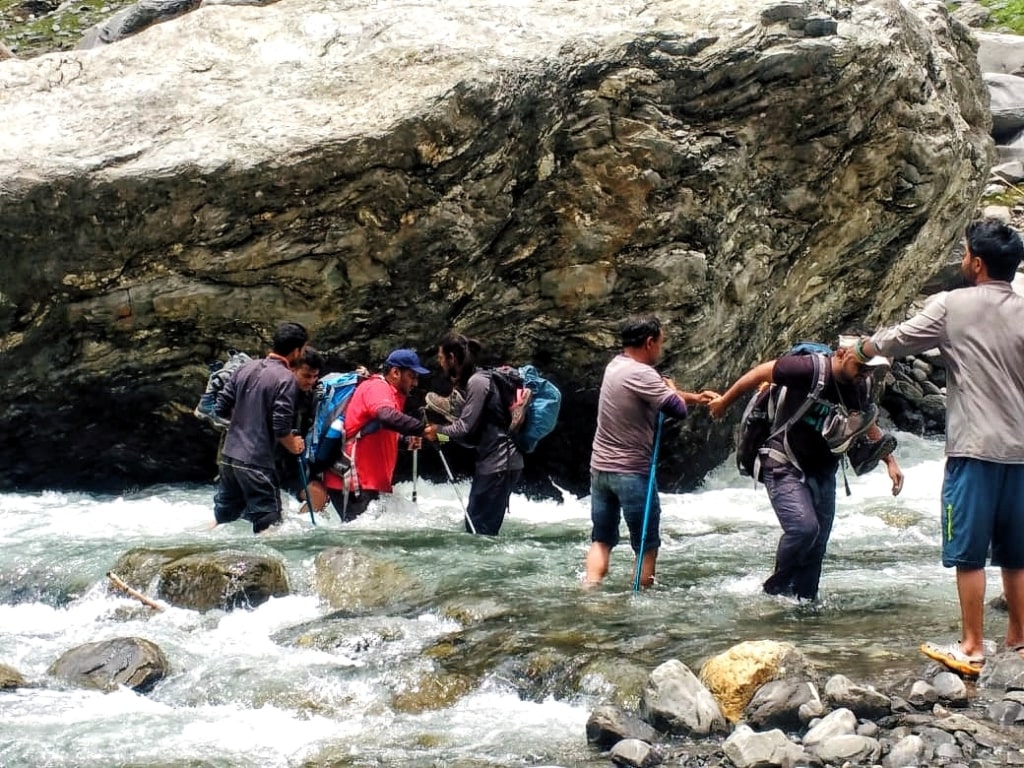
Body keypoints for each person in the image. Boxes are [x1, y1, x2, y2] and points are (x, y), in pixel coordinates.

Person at [858, 218, 1024, 676]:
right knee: (1016, 551)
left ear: (977, 262)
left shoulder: (952, 305)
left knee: (969, 552)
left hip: (974, 449)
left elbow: (898, 339)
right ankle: (1019, 639)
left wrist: (859, 348)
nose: (963, 258)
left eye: (966, 251)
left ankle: (971, 646)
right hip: (1021, 452)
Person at [708, 338, 904, 602]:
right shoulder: (809, 369)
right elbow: (760, 373)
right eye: (862, 366)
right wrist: (724, 403)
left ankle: (804, 605)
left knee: (817, 544)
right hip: (783, 460)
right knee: (804, 529)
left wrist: (889, 460)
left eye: (871, 369)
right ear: (843, 354)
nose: (865, 374)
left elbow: (865, 422)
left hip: (824, 468)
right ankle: (774, 591)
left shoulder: (860, 385)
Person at [584, 316, 719, 587]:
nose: (660, 348)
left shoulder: (616, 366)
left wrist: (695, 397)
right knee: (646, 545)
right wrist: (674, 392)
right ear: (649, 342)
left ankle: (590, 590)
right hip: (632, 473)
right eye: (660, 343)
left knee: (602, 539)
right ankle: (642, 598)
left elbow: (653, 393)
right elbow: (675, 409)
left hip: (600, 471)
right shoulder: (642, 373)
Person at [212, 322, 309, 533]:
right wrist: (294, 445)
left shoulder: (245, 367)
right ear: (296, 351)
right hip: (256, 462)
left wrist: (246, 419)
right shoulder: (286, 379)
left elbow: (220, 408)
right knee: (269, 523)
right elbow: (281, 426)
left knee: (224, 519)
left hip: (228, 458)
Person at [423, 333, 521, 536]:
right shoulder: (475, 382)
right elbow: (469, 439)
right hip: (495, 465)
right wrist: (438, 437)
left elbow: (463, 427)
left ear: (452, 357)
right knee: (477, 529)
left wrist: (437, 429)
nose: (440, 363)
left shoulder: (478, 382)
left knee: (479, 532)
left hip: (499, 465)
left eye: (441, 358)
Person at [321, 349, 436, 522]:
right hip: (355, 483)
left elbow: (378, 431)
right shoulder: (377, 387)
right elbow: (386, 416)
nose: (416, 383)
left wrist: (405, 440)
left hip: (367, 483)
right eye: (412, 376)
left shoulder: (391, 394)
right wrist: (422, 429)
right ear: (395, 372)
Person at [276, 346, 325, 514]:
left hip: (293, 464)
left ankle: (297, 528)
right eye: (306, 376)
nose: (311, 381)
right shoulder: (277, 391)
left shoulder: (310, 394)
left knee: (319, 495)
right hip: (265, 463)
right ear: (292, 369)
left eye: (315, 376)